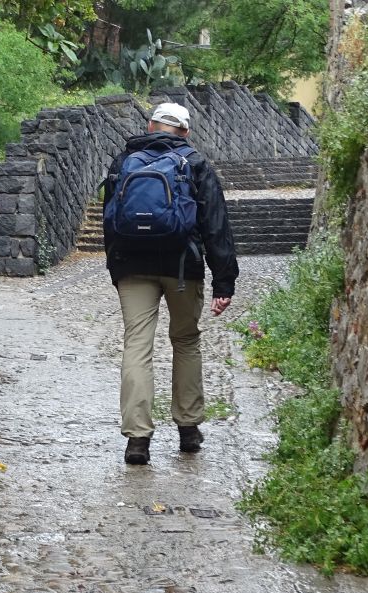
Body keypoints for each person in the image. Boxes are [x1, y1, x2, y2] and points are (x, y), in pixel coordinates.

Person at [103, 102, 238, 465]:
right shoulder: (195, 163)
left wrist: (116, 268)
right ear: (185, 131)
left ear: (151, 126)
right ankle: (189, 429)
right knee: (186, 341)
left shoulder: (123, 161)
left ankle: (137, 439)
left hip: (132, 266)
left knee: (137, 346)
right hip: (182, 266)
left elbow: (110, 219)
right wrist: (224, 280)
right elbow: (215, 225)